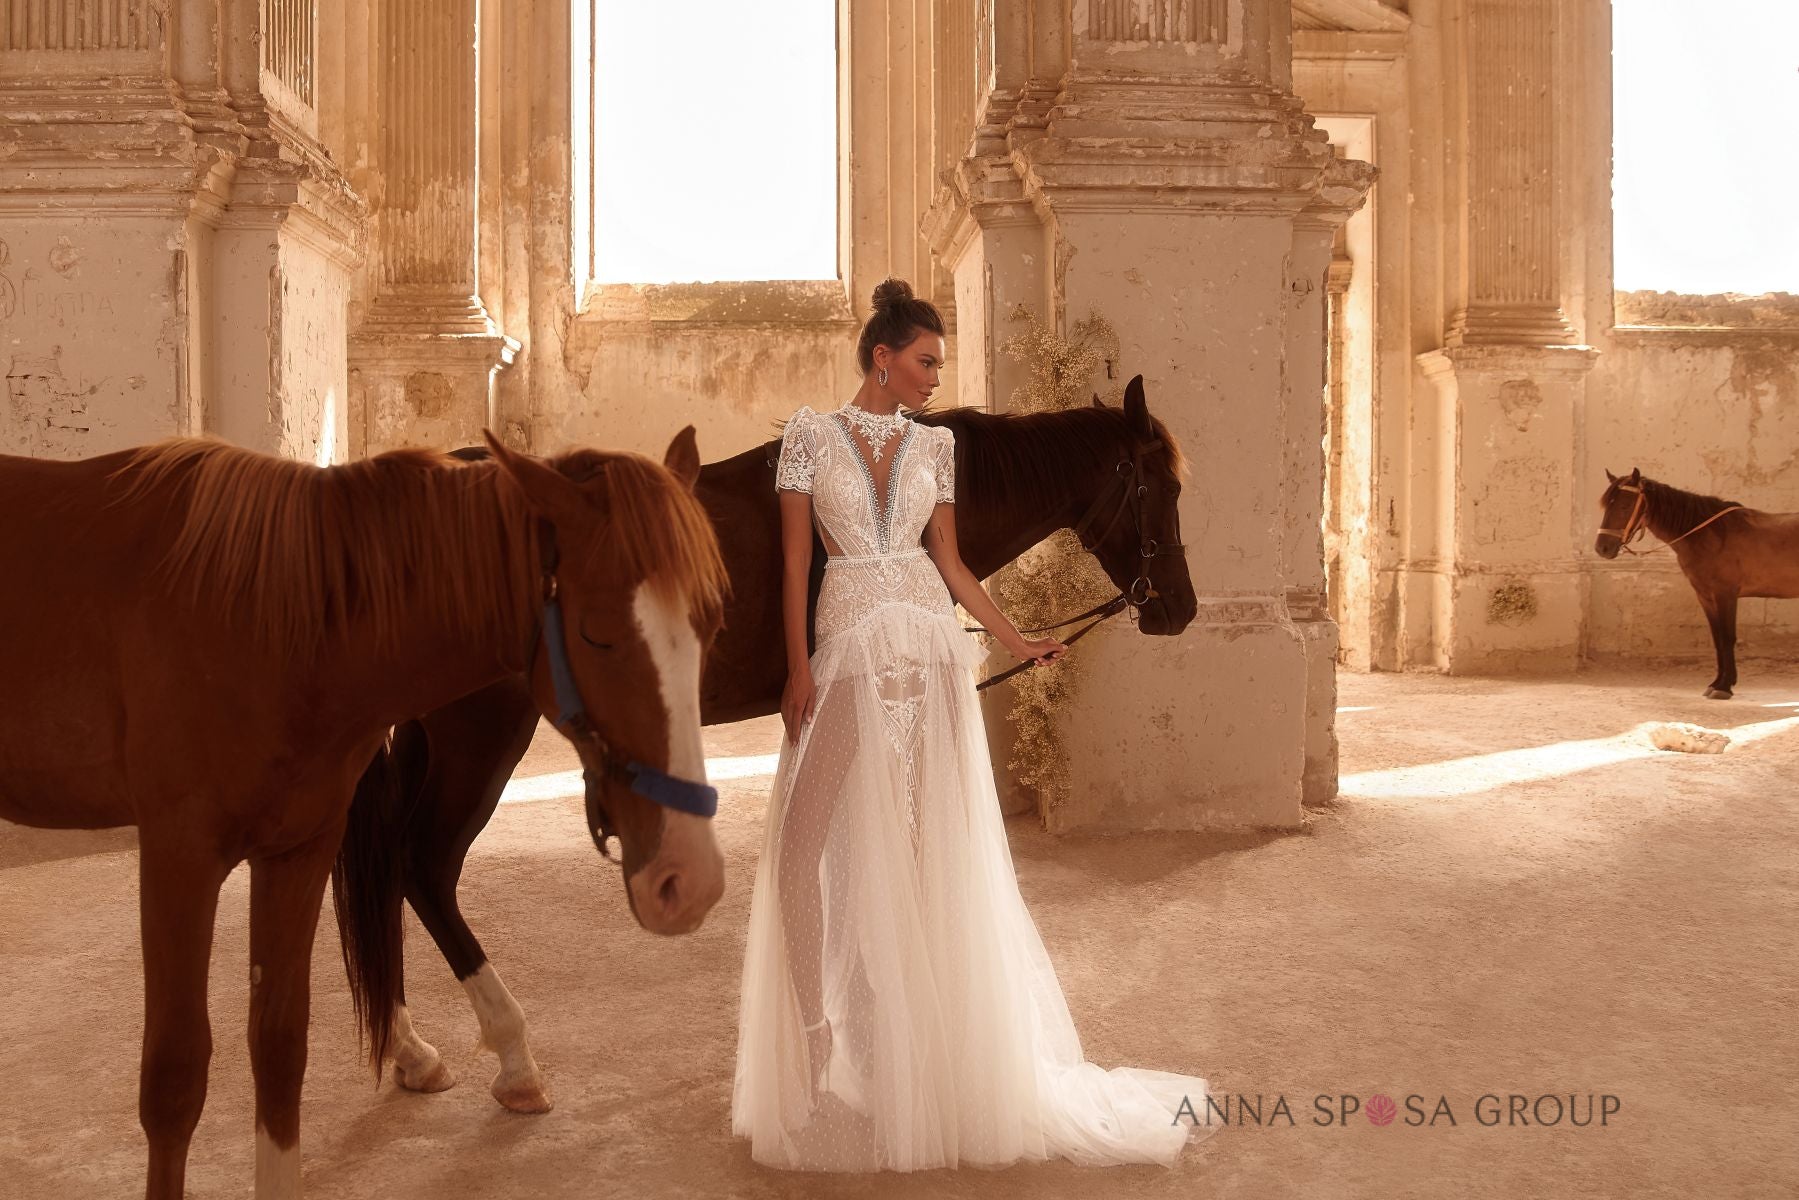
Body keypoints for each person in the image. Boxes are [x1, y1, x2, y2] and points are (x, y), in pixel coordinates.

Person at [731, 278, 1209, 1172]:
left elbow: (945, 559)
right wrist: (796, 667)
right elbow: (797, 560)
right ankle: (814, 1037)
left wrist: (1015, 638)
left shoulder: (939, 447)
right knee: (803, 843)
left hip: (924, 650)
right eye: (923, 362)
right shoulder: (807, 435)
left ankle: (905, 1046)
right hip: (842, 652)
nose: (932, 378)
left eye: (937, 365)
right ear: (882, 356)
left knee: (914, 851)